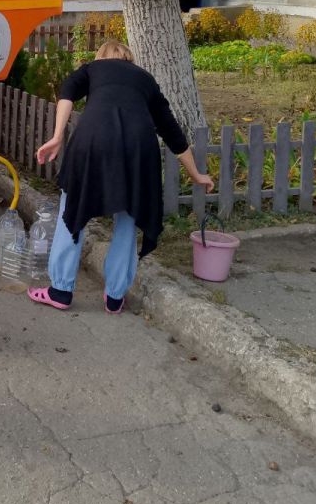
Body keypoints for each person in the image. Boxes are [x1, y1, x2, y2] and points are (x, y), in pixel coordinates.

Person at [28, 41, 215, 314]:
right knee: (129, 218)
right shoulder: (145, 79)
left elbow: (67, 92)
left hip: (94, 141)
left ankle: (60, 291)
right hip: (138, 149)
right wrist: (196, 174)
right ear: (129, 59)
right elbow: (171, 130)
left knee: (72, 211)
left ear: (100, 57)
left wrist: (57, 136)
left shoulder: (92, 69)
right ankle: (115, 297)